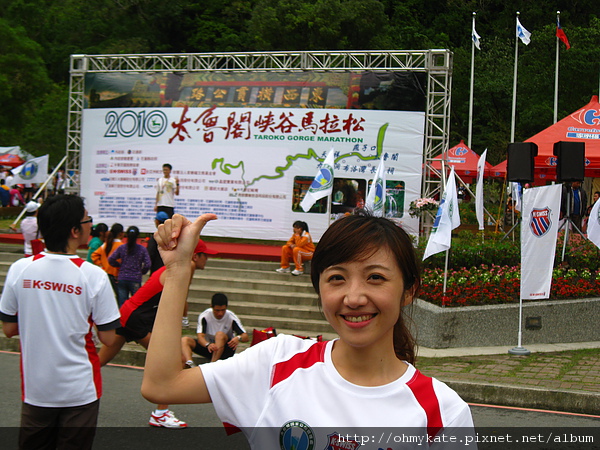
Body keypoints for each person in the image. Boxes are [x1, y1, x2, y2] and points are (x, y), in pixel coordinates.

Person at [141, 211, 475, 448]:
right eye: (336, 278)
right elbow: (162, 384)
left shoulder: (443, 412)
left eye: (376, 277)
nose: (354, 297)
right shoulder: (276, 363)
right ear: (319, 289)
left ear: (409, 290)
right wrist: (179, 270)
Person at [0, 194, 120, 449]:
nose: (92, 225)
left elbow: (9, 328)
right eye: (88, 220)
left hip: (37, 389)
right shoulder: (93, 276)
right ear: (75, 230)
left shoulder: (20, 269)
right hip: (80, 389)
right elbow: (109, 338)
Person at [99, 239, 218, 429]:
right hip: (136, 317)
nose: (207, 259)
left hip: (128, 311)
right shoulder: (189, 266)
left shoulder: (179, 266)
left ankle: (66, 394)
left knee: (99, 361)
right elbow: (178, 301)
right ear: (196, 256)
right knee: (176, 359)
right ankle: (160, 414)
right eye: (206, 255)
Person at [181, 293, 248, 366]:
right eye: (217, 310)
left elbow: (245, 337)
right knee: (185, 340)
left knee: (219, 334)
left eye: (223, 310)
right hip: (209, 348)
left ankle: (212, 365)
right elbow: (200, 337)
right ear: (211, 307)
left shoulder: (231, 317)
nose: (220, 313)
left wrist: (238, 338)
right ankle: (190, 363)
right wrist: (208, 345)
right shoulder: (205, 316)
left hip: (225, 349)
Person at [108, 226, 151, 306]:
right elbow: (147, 264)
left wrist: (119, 266)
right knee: (136, 302)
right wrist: (141, 272)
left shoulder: (122, 248)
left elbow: (111, 259)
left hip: (122, 277)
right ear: (138, 236)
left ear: (126, 235)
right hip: (135, 278)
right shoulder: (142, 249)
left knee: (122, 302)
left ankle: (123, 317)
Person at [92, 223, 124, 296]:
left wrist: (101, 264)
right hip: (116, 274)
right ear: (121, 234)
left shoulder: (106, 244)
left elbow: (94, 255)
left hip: (106, 271)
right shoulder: (122, 246)